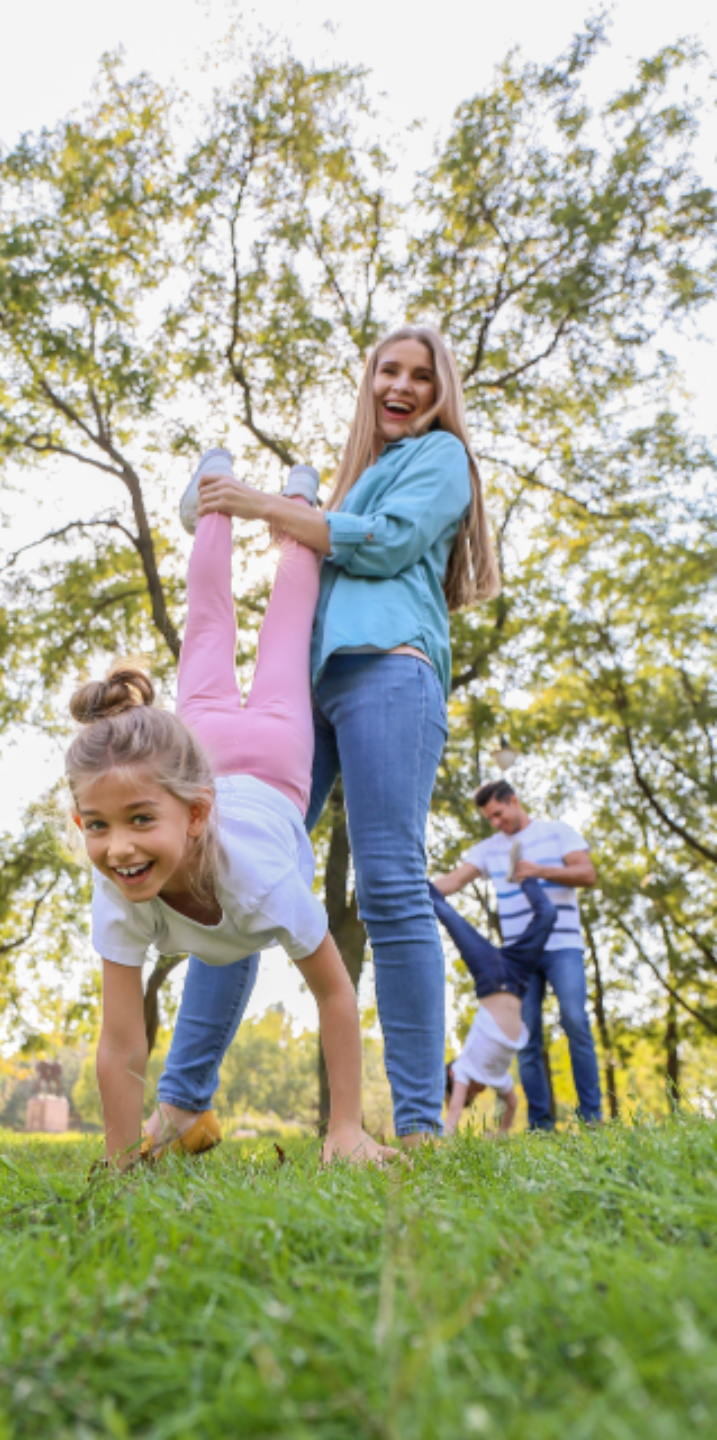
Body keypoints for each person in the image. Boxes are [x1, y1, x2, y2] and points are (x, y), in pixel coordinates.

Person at [143, 325, 500, 1153]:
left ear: (441, 392)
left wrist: (268, 506)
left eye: (421, 376)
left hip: (389, 672)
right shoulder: (362, 474)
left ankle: (418, 1125)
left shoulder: (443, 459)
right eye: (389, 371)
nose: (402, 386)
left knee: (388, 885)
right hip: (314, 689)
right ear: (369, 381)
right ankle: (184, 1105)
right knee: (230, 869)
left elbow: (392, 544)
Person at [65, 452, 394, 1168]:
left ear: (194, 815)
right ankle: (247, 494)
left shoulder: (262, 883)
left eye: (139, 821)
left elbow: (336, 997)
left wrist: (345, 1131)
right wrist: (120, 1164)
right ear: (80, 823)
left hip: (269, 757)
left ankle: (248, 495)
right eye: (98, 826)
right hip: (218, 745)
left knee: (250, 624)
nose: (119, 848)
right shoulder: (118, 886)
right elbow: (120, 1039)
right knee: (246, 622)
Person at [432, 779, 603, 1129]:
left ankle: (592, 1118)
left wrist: (539, 871)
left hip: (562, 945)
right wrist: (411, 886)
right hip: (519, 958)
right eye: (489, 818)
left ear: (513, 801)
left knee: (574, 1019)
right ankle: (540, 1124)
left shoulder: (557, 832)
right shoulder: (488, 849)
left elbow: (587, 873)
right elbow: (453, 881)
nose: (495, 822)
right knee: (526, 1039)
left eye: (498, 814)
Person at [429, 879, 556, 1136]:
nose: (478, 1091)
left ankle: (411, 875)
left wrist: (444, 1144)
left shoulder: (464, 1068)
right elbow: (512, 1104)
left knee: (443, 912)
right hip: (519, 976)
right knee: (549, 914)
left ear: (453, 1077)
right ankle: (526, 878)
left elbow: (453, 1112)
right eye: (474, 1096)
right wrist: (500, 1134)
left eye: (471, 1093)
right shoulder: (497, 1078)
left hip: (491, 976)